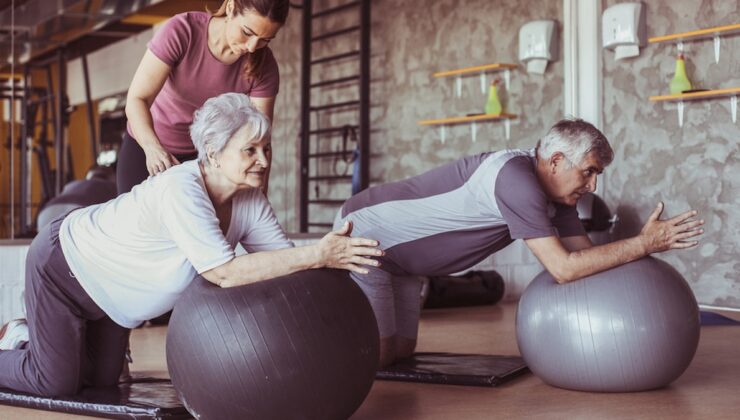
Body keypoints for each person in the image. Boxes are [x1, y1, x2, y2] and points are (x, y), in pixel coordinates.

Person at [0, 93, 382, 398]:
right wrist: (318, 252)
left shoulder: (250, 202)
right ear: (213, 154)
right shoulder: (182, 189)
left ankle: (32, 339)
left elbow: (281, 264)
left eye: (265, 148)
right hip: (64, 266)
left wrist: (333, 257)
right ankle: (19, 338)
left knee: (101, 382)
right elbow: (224, 273)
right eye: (249, 150)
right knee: (55, 383)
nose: (263, 160)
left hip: (113, 305)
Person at [334, 118, 705, 367]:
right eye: (589, 171)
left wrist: (646, 243)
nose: (593, 186)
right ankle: (317, 356)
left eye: (597, 175)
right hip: (367, 233)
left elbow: (584, 256)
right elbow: (563, 269)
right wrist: (643, 244)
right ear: (557, 161)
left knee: (401, 351)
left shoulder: (557, 198)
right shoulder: (516, 180)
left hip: (404, 262)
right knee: (378, 354)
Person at [118, 0, 288, 194]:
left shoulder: (265, 67)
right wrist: (153, 148)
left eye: (265, 40)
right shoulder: (183, 31)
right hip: (147, 144)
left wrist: (259, 198)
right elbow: (137, 100)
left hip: (204, 158)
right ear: (231, 7)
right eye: (247, 32)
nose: (251, 47)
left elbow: (259, 137)